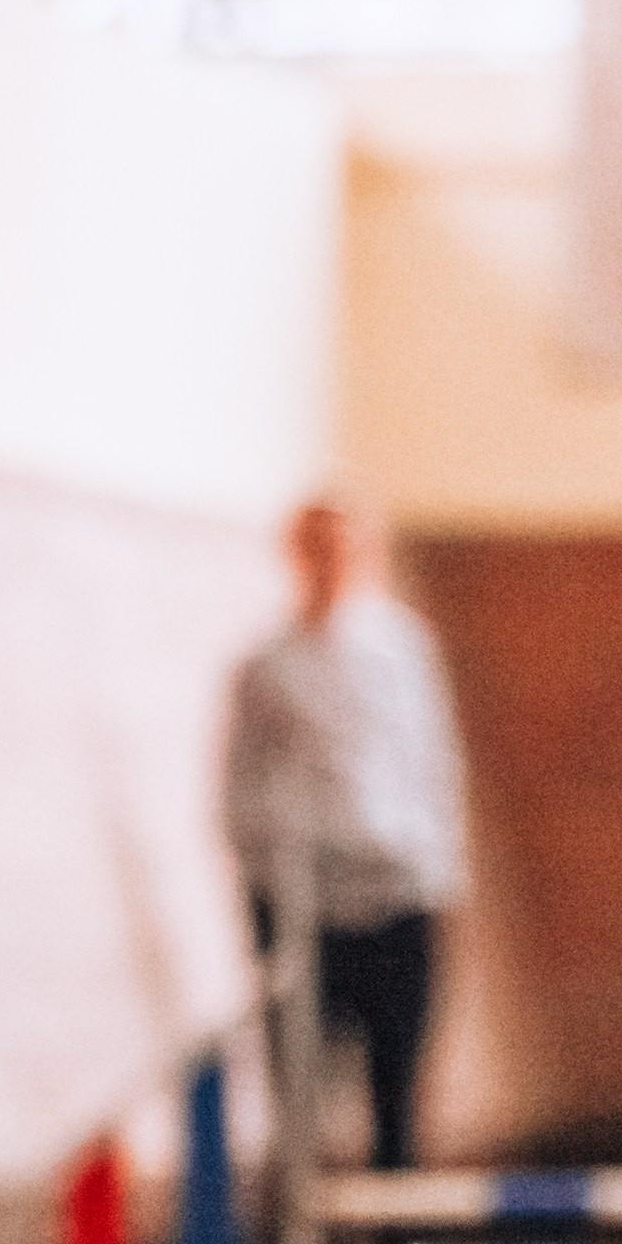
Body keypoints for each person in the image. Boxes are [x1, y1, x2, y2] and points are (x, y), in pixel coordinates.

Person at [222, 496, 467, 1175]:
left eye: (346, 548)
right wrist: (266, 873)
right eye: (318, 547)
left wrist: (440, 868)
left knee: (397, 1089)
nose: (332, 563)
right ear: (298, 555)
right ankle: (300, 1229)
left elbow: (433, 760)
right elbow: (240, 787)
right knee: (299, 1087)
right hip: (303, 899)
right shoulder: (267, 665)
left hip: (397, 891)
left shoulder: (402, 649)